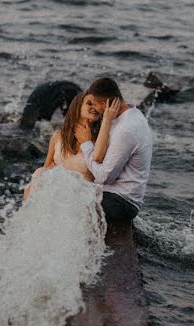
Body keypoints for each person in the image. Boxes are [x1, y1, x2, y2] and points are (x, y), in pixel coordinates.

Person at [75, 77, 153, 221]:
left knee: (72, 206)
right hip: (115, 195)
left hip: (121, 202)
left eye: (95, 104)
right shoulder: (132, 113)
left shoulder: (125, 129)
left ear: (105, 104)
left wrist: (86, 144)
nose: (95, 109)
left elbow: (104, 177)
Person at [23, 92, 121, 199]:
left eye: (97, 105)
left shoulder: (101, 140)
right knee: (39, 172)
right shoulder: (58, 136)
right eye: (90, 104)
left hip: (84, 198)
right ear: (77, 108)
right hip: (58, 197)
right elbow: (46, 168)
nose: (95, 108)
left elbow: (104, 176)